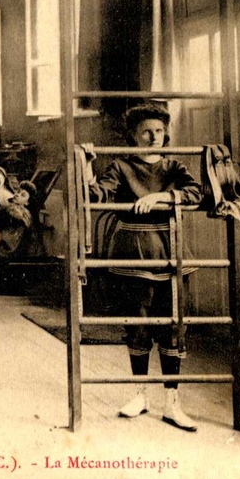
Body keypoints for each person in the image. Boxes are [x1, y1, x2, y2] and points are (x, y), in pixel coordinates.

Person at [83, 103, 201, 432]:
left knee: (172, 324)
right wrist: (88, 165)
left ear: (166, 134)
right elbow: (98, 195)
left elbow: (195, 192)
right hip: (132, 253)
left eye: (159, 131)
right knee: (137, 323)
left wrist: (161, 198)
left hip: (171, 249)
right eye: (146, 132)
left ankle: (171, 402)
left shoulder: (174, 164)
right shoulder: (121, 167)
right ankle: (140, 394)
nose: (153, 137)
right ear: (134, 136)